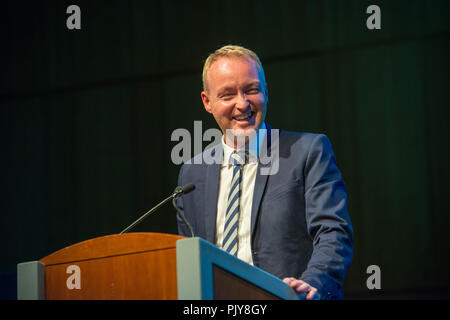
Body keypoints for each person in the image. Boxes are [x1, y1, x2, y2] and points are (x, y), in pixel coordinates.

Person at [176, 45, 353, 300]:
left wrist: (312, 283)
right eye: (227, 95)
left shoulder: (308, 152)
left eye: (251, 90)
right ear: (207, 102)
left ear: (266, 92)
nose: (242, 103)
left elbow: (334, 232)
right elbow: (189, 258)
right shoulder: (191, 175)